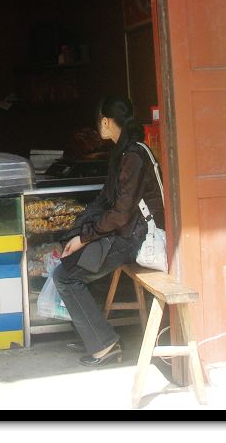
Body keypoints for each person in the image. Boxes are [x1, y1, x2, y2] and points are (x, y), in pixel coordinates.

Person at [53, 95, 163, 367]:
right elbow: (105, 199)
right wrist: (78, 232)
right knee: (72, 263)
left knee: (65, 276)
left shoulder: (133, 156)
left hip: (136, 238)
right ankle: (93, 335)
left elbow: (121, 214)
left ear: (105, 121)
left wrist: (84, 238)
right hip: (125, 233)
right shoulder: (124, 152)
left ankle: (104, 344)